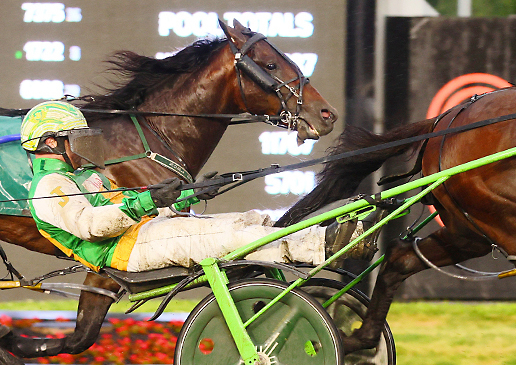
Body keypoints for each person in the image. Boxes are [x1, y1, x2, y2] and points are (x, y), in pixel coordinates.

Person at [20, 100, 368, 273]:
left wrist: (190, 193)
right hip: (128, 251)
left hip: (147, 231)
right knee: (235, 239)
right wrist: (145, 202)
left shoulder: (80, 177)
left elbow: (126, 205)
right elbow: (93, 227)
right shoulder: (50, 186)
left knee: (248, 222)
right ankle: (323, 246)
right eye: (75, 138)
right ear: (50, 143)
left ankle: (333, 241)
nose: (85, 144)